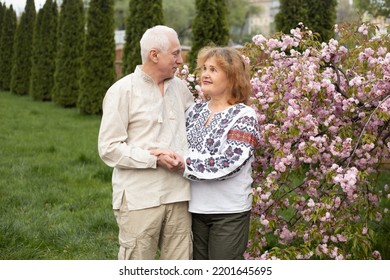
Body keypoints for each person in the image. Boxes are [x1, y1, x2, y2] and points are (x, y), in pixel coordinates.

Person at [98, 25, 194, 260]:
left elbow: (197, 131)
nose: (180, 60)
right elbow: (109, 148)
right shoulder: (122, 91)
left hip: (179, 195)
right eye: (175, 53)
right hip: (139, 198)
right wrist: (154, 158)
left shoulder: (180, 88)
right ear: (154, 55)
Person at [182, 46, 260, 260]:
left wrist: (183, 165)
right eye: (204, 68)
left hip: (229, 212)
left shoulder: (244, 115)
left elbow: (231, 162)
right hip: (195, 208)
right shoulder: (194, 111)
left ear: (232, 77)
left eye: (214, 70)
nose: (205, 74)